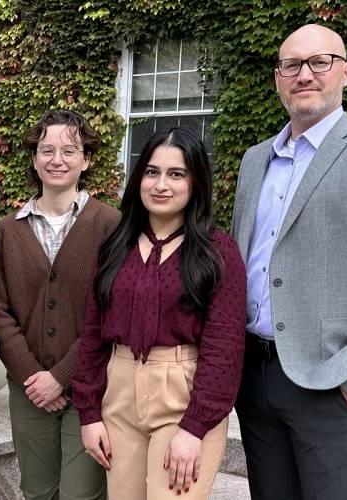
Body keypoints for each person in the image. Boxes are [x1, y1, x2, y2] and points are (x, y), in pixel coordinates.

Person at [231, 24, 347, 500]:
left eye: (320, 62)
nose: (305, 75)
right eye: (292, 65)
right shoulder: (256, 160)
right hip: (254, 377)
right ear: (278, 78)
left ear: (345, 73)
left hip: (331, 384)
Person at [73, 127, 246, 499]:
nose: (161, 184)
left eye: (176, 174)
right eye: (152, 172)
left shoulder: (218, 252)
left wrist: (195, 427)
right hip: (119, 394)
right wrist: (88, 413)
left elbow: (225, 349)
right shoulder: (116, 245)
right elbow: (92, 334)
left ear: (196, 181)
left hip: (182, 396)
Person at [0, 109, 117, 500]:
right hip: (28, 390)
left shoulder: (109, 224)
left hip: (91, 387)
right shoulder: (10, 231)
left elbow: (111, 311)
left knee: (82, 493)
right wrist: (33, 376)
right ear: (33, 158)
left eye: (69, 150)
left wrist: (61, 376)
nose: (56, 159)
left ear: (86, 159)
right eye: (46, 150)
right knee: (37, 490)